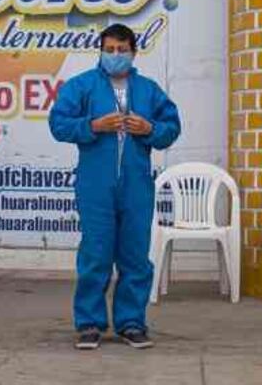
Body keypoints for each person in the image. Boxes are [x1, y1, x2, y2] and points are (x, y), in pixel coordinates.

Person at [49, 23, 181, 351]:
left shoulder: (149, 90)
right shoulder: (82, 86)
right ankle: (89, 324)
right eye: (109, 50)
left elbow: (171, 127)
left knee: (135, 255)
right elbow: (58, 123)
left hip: (136, 185)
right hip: (95, 184)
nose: (115, 56)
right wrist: (91, 125)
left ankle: (131, 323)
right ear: (100, 51)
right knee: (96, 253)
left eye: (122, 50)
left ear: (134, 52)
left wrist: (149, 127)